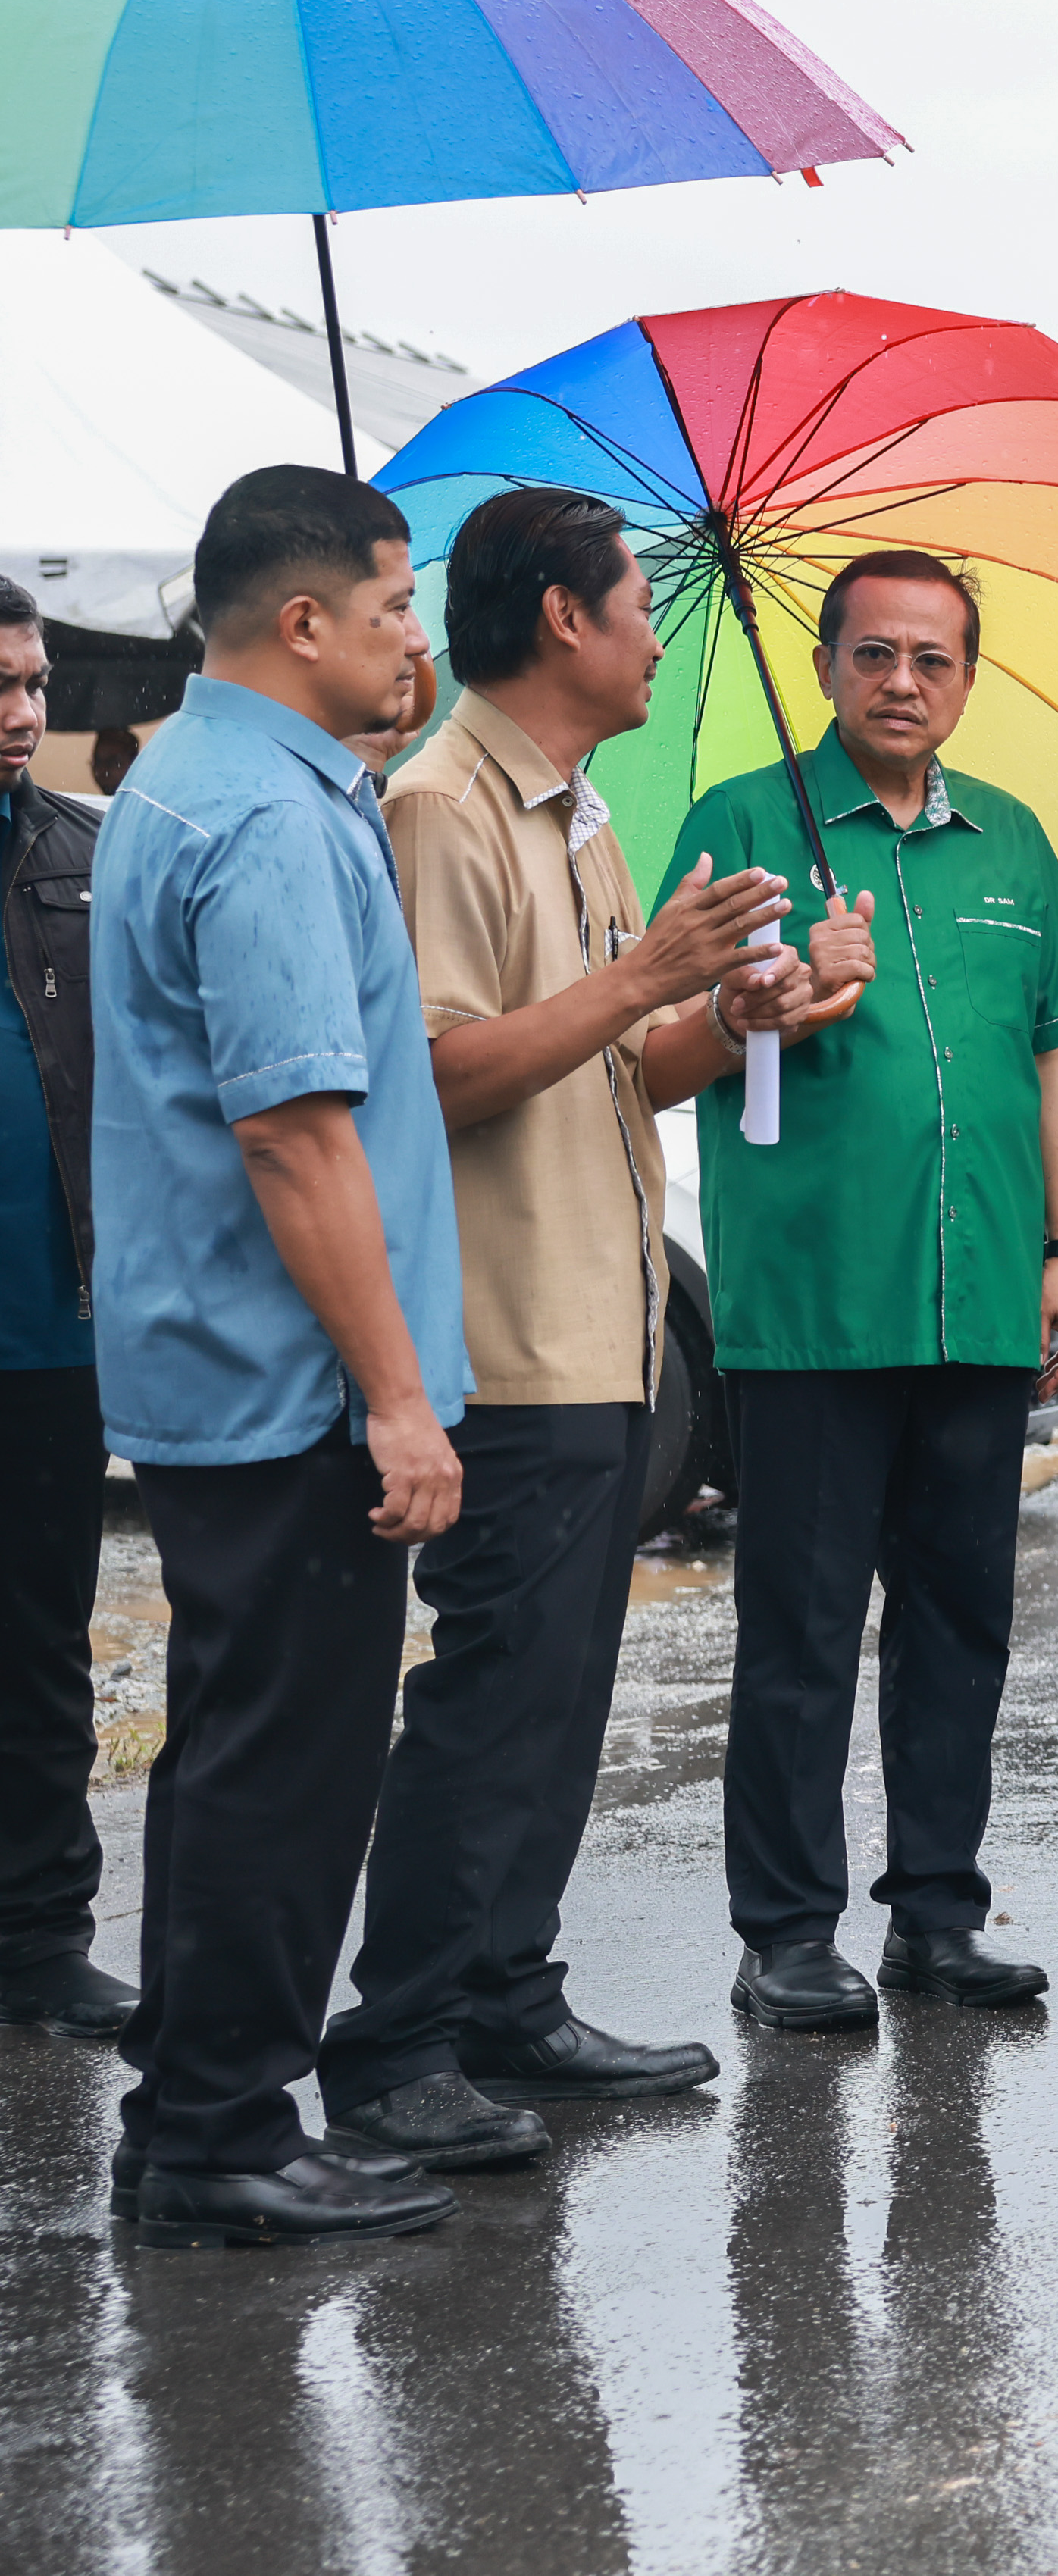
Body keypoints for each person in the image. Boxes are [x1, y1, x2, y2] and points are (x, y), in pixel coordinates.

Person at [317, 491, 818, 2160]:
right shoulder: (439, 808)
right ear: (560, 621)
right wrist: (643, 974)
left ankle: (507, 1994)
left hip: (610, 1330)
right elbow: (440, 1072)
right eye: (636, 608)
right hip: (503, 1333)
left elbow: (614, 1064)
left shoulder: (582, 816)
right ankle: (396, 2045)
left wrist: (726, 1008)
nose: (660, 638)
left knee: (562, 1691)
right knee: (490, 1693)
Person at [88, 466, 467, 2245]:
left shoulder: (205, 776)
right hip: (284, 1383)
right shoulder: (266, 816)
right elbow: (297, 1136)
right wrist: (395, 1394)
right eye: (398, 605)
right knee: (287, 1758)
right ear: (304, 620)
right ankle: (222, 2132)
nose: (418, 638)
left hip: (220, 1363)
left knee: (234, 1745)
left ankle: (194, 2103)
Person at [666, 550, 1058, 2032]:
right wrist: (769, 989)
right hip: (814, 1306)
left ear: (966, 676)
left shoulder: (1015, 843)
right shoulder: (742, 823)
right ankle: (787, 1930)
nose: (904, 681)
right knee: (798, 1628)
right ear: (827, 665)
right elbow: (654, 1035)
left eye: (933, 657)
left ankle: (937, 1910)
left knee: (961, 1618)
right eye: (876, 654)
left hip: (981, 1294)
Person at [0, 579, 133, 2042]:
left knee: (40, 1644)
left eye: (35, 684)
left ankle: (38, 1935)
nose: (26, 716)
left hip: (49, 1327)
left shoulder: (82, 858)